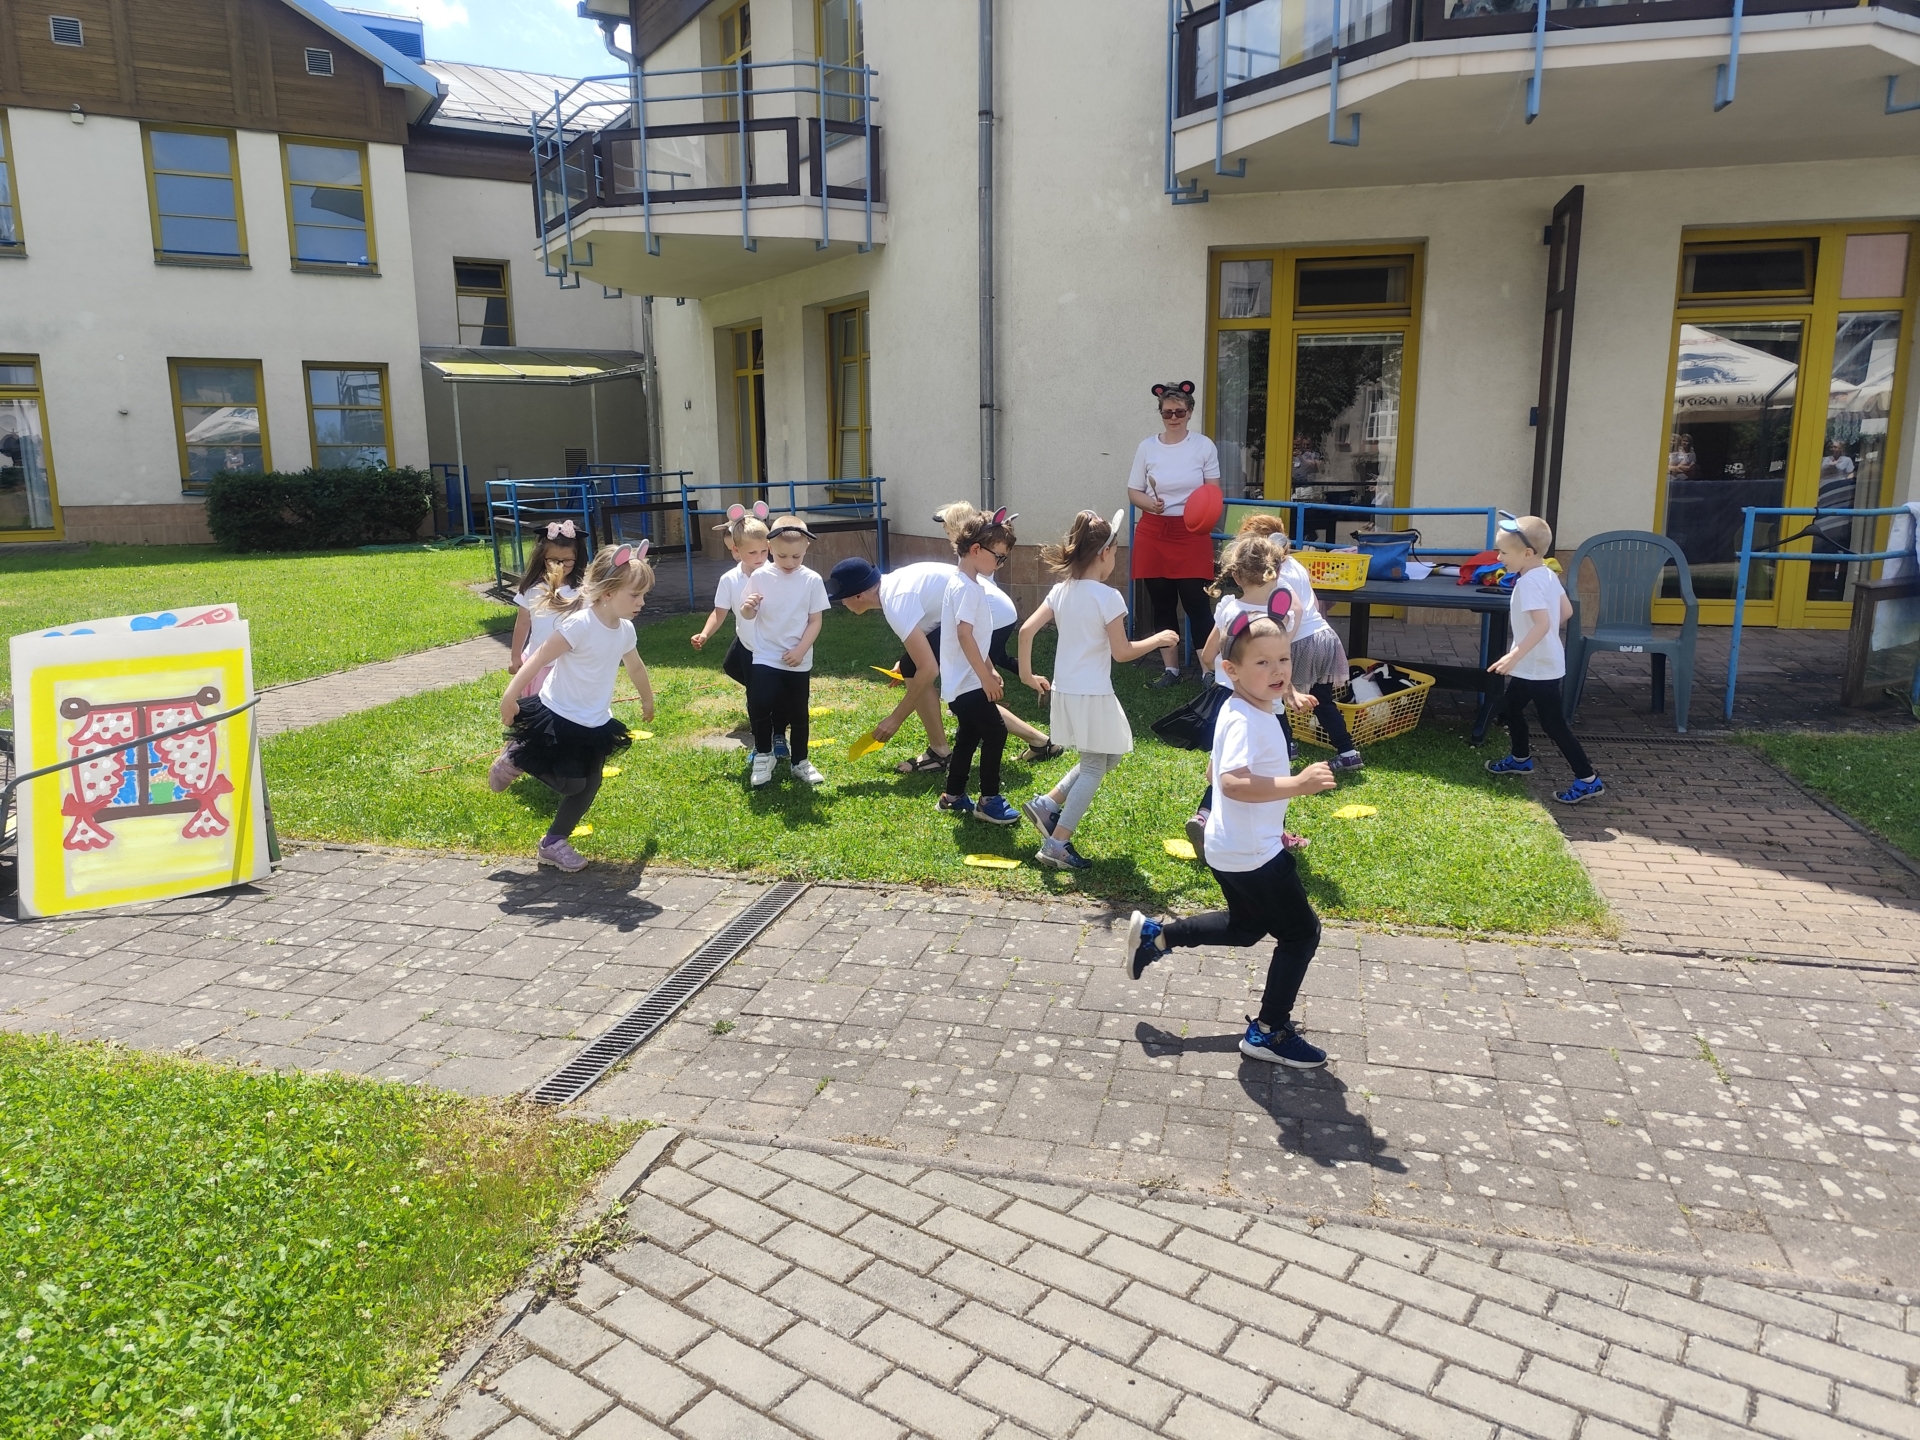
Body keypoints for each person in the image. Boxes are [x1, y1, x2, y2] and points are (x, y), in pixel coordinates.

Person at [1125, 590, 1339, 1067]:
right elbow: (1231, 782)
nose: (1278, 670)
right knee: (1301, 934)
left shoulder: (1243, 708)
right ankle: (1269, 1032)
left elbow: (1214, 769)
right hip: (1254, 854)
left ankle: (1157, 937)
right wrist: (1298, 784)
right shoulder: (1247, 719)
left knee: (1246, 928)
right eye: (1262, 663)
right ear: (1231, 670)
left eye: (1283, 659)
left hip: (1230, 846)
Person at [826, 503, 1059, 773]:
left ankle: (943, 752)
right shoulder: (893, 587)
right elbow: (930, 627)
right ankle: (1038, 742)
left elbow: (929, 669)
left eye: (841, 599)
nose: (841, 604)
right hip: (989, 610)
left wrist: (894, 719)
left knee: (964, 692)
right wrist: (908, 661)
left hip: (990, 615)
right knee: (915, 668)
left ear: (857, 595)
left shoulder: (895, 602)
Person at [1015, 509, 1177, 870]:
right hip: (1092, 693)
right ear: (1105, 553)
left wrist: (1026, 674)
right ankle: (1057, 844)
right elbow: (1122, 652)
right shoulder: (1108, 597)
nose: (1115, 558)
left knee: (1109, 755)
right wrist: (1158, 639)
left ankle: (1047, 804)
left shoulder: (1061, 591)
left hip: (1069, 691)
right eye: (1116, 552)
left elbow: (1025, 631)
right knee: (1094, 765)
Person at [492, 541, 657, 873]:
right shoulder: (579, 624)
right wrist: (510, 696)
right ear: (607, 592)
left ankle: (553, 843)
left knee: (590, 784)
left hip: (595, 721)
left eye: (643, 595)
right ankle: (516, 756)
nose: (641, 602)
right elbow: (538, 658)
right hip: (559, 715)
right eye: (635, 595)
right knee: (572, 783)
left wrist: (647, 697)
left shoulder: (624, 630)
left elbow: (635, 667)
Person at [1484, 514, 1604, 805]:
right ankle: (1520, 759)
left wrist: (1514, 654)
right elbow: (1566, 612)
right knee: (1511, 707)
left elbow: (1542, 624)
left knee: (1553, 725)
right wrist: (1538, 643)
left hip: (1538, 668)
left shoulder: (1528, 584)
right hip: (1536, 663)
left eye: (1503, 552)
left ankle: (1588, 779)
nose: (1498, 557)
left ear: (1527, 553)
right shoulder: (1547, 574)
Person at [1241, 513, 1362, 770]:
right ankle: (1348, 752)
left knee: (1276, 697)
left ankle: (1286, 748)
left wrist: (1281, 644)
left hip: (1300, 641)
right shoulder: (1295, 563)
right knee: (1322, 700)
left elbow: (1293, 609)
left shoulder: (1273, 574)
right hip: (1324, 636)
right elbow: (1313, 603)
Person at [1127, 381, 1222, 689]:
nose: (1173, 417)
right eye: (1167, 412)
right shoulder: (1147, 447)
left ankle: (1209, 671)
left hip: (1192, 532)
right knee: (1162, 602)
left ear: (1190, 411)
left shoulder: (1203, 446)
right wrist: (1149, 504)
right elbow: (1133, 492)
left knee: (1196, 602)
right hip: (1154, 531)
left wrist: (1199, 512)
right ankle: (1171, 670)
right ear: (1161, 413)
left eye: (1179, 411)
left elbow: (1213, 493)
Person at [937, 508, 1021, 824]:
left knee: (969, 736)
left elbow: (975, 637)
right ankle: (989, 800)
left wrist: (989, 667)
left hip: (964, 681)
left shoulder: (968, 584)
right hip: (967, 683)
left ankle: (953, 796)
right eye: (998, 557)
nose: (1000, 564)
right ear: (975, 550)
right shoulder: (965, 588)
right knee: (996, 733)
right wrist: (984, 676)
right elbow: (964, 634)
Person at [691, 501, 789, 758]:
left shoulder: (777, 574)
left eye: (764, 551)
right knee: (755, 697)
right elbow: (719, 612)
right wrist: (705, 633)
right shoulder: (729, 580)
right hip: (748, 647)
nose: (760, 558)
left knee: (775, 693)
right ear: (736, 551)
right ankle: (761, 742)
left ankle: (780, 735)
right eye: (752, 552)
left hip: (775, 646)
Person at [740, 515, 831, 787]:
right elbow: (747, 614)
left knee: (798, 712)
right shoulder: (760, 576)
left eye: (796, 556)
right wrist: (748, 607)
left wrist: (801, 649)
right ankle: (763, 755)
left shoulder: (812, 580)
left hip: (797, 659)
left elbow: (815, 621)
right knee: (760, 704)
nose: (789, 562)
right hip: (766, 655)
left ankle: (800, 761)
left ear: (806, 548)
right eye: (782, 556)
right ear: (769, 548)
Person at [508, 519, 586, 699]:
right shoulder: (532, 589)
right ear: (542, 558)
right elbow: (522, 623)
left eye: (567, 560)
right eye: (552, 560)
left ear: (578, 558)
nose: (559, 565)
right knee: (537, 707)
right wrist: (515, 656)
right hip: (537, 664)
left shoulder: (582, 591)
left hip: (570, 666)